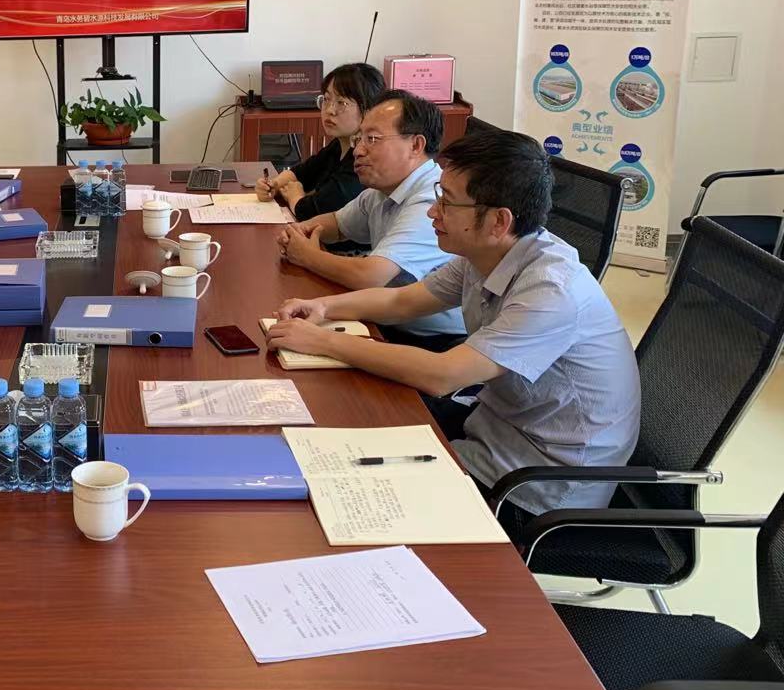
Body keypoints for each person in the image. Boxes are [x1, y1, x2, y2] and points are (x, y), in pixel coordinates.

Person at [266, 128, 641, 516]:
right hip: (493, 427)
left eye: (447, 201)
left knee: (350, 493)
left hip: (538, 485)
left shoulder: (552, 290)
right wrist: (323, 308)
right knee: (345, 427)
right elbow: (402, 300)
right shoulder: (487, 254)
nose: (433, 211)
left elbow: (442, 375)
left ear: (498, 220)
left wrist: (324, 341)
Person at [275, 89, 465, 349]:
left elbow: (371, 277)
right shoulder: (382, 190)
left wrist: (307, 255)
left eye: (372, 139)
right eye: (359, 138)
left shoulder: (431, 200)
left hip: (434, 342)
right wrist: (298, 231)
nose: (358, 150)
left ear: (416, 145)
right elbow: (337, 225)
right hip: (386, 321)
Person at [254, 62, 383, 220]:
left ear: (368, 110)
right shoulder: (339, 145)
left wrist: (295, 197)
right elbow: (302, 173)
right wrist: (274, 185)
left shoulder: (364, 161)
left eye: (341, 103)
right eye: (327, 99)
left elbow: (312, 212)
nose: (329, 110)